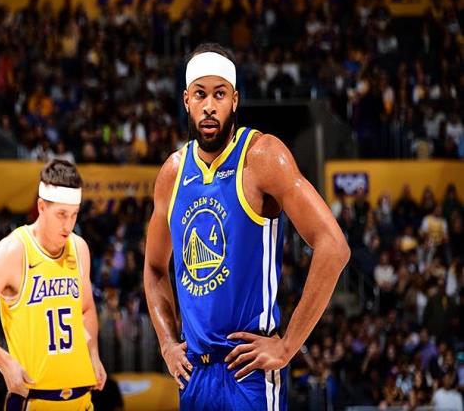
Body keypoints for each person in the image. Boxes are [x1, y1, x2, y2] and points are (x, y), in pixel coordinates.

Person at [144, 43, 350, 410]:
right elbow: (155, 267)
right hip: (194, 375)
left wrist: (287, 346)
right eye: (200, 94)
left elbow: (334, 246)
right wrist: (166, 343)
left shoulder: (262, 156)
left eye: (220, 94)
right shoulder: (172, 173)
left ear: (235, 100)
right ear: (186, 100)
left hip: (248, 373)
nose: (209, 106)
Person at [0, 159, 106, 410]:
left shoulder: (79, 247)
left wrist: (93, 353)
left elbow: (86, 309)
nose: (68, 224)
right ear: (41, 207)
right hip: (34, 401)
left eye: (74, 214)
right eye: (61, 214)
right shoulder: (14, 251)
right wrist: (5, 363)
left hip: (83, 400)